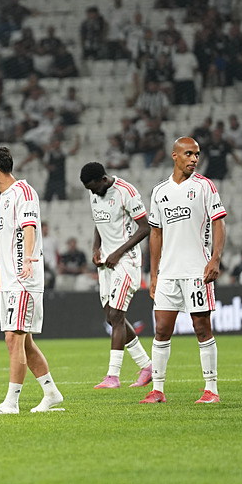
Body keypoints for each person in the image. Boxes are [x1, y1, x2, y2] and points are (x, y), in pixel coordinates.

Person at [0, 146, 64, 415]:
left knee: (13, 337)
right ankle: (51, 393)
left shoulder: (24, 192)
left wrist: (28, 258)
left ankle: (11, 402)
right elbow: (1, 229)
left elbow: (30, 227)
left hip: (23, 278)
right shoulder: (4, 196)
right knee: (23, 341)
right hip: (10, 280)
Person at [144, 137, 227, 404]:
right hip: (168, 273)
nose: (194, 159)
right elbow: (155, 233)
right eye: (189, 154)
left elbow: (219, 223)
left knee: (201, 328)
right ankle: (157, 390)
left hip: (196, 271)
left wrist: (215, 259)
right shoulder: (159, 191)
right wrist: (153, 274)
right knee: (161, 330)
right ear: (175, 156)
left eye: (197, 154)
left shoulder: (204, 186)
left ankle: (211, 389)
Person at [80, 162, 153, 390]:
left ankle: (113, 376)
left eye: (94, 188)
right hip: (106, 262)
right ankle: (147, 366)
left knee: (116, 314)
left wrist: (118, 252)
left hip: (126, 260)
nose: (93, 193)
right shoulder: (94, 192)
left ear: (103, 180)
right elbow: (98, 222)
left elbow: (145, 227)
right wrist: (95, 248)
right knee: (111, 318)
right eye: (89, 190)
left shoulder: (126, 192)